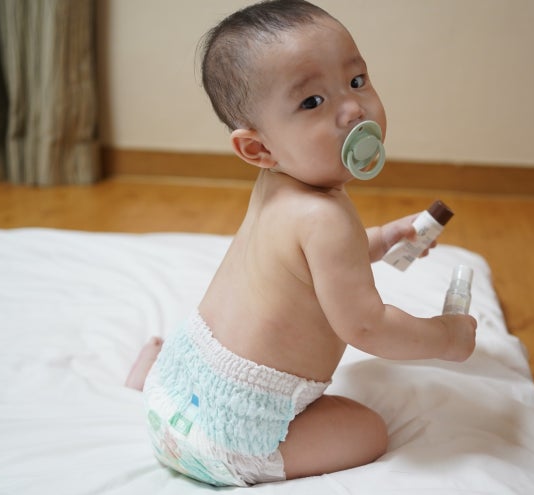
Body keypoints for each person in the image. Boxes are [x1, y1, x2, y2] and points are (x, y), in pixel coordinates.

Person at [125, 0, 476, 487]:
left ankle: (152, 383)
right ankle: (211, 445)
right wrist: (446, 338)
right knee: (368, 430)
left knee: (185, 389)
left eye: (356, 81)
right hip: (234, 436)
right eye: (312, 102)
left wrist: (380, 240)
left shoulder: (277, 186)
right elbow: (368, 327)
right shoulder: (324, 218)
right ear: (259, 147)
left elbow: (305, 265)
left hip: (180, 386)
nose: (353, 109)